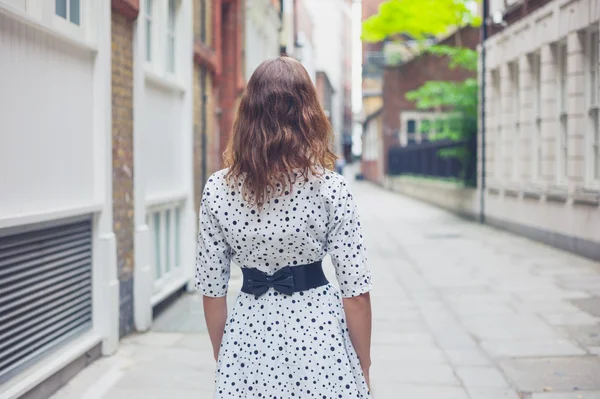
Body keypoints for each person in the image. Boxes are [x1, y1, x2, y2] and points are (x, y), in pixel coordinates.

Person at [196, 57, 372, 399]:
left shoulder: (217, 189)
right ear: (308, 115)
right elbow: (356, 294)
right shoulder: (330, 188)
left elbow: (211, 292)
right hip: (319, 339)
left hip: (247, 337)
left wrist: (227, 356)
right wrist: (363, 364)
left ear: (248, 114)